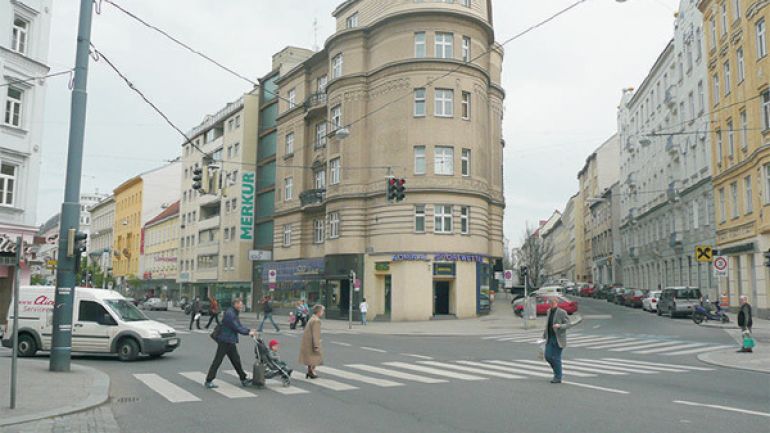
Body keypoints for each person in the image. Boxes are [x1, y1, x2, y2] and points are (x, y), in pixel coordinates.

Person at [205, 298, 256, 388]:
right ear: (235, 304)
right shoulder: (230, 314)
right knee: (218, 360)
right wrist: (248, 332)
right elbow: (236, 327)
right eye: (240, 304)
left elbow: (239, 325)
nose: (242, 305)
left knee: (236, 360)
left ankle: (243, 378)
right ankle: (209, 380)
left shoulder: (233, 312)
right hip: (225, 340)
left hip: (229, 340)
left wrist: (249, 330)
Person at [543, 296, 575, 384]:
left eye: (553, 303)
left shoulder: (562, 312)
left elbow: (568, 324)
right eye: (550, 303)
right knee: (547, 356)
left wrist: (560, 326)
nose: (551, 304)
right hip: (550, 338)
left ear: (556, 303)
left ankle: (558, 377)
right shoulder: (548, 311)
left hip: (558, 338)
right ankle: (557, 371)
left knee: (556, 358)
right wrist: (544, 335)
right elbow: (548, 324)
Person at [299, 304, 324, 379]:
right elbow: (316, 334)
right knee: (315, 357)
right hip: (312, 342)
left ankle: (310, 371)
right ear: (319, 312)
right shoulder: (316, 321)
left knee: (311, 358)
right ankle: (312, 371)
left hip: (308, 342)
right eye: (322, 311)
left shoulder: (312, 318)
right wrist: (316, 346)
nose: (323, 312)